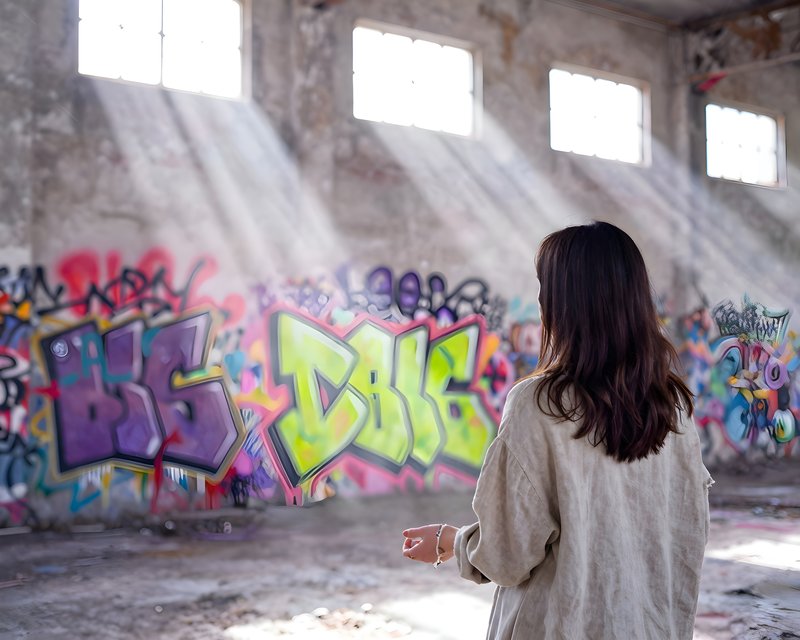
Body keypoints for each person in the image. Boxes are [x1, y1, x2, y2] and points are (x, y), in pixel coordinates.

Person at [401, 221, 712, 639]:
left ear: (562, 305)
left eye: (544, 290)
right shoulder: (674, 407)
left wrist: (450, 541)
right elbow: (689, 537)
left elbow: (506, 556)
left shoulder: (539, 405)